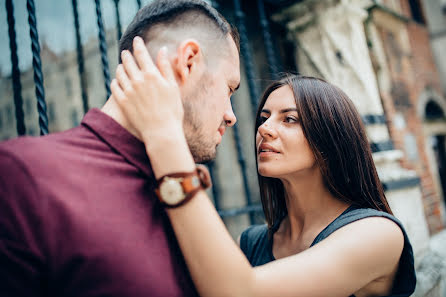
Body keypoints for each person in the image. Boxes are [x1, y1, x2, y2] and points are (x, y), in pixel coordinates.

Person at [111, 39, 416, 297]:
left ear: (331, 140)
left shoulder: (378, 234)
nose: (265, 129)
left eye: (290, 119)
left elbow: (240, 291)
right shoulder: (253, 241)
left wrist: (165, 135)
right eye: (264, 117)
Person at [0, 1, 240, 296]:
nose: (231, 114)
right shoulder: (21, 176)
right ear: (188, 61)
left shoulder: (184, 192)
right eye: (229, 88)